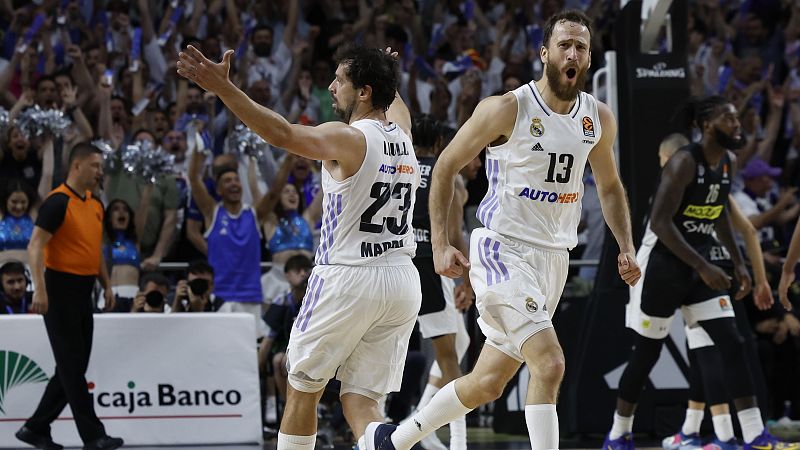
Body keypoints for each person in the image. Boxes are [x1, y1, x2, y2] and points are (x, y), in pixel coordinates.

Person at [367, 10, 641, 450]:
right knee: (549, 364)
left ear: (589, 58)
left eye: (581, 47)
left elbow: (609, 187)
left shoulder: (598, 118)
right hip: (502, 251)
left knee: (487, 383)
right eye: (565, 44)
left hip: (553, 259)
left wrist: (625, 245)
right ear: (544, 53)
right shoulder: (506, 107)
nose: (573, 53)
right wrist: (440, 244)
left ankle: (393, 442)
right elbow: (445, 167)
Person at [177, 42, 421, 449]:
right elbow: (394, 103)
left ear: (363, 92)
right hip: (400, 281)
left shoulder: (348, 137)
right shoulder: (406, 135)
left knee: (302, 386)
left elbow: (282, 133)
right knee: (362, 400)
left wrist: (224, 89)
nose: (330, 87)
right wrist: (385, 72)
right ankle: (383, 440)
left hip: (348, 277)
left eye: (340, 80)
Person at [605, 96, 797, 450]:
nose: (738, 126)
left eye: (738, 119)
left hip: (700, 266)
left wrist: (737, 263)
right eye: (730, 120)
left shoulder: (728, 162)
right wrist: (704, 265)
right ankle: (618, 433)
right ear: (708, 125)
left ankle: (755, 435)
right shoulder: (683, 163)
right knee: (647, 354)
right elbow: (661, 224)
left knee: (732, 343)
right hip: (664, 269)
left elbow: (718, 212)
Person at [653, 133, 776, 450]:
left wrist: (758, 277)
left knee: (712, 354)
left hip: (708, 274)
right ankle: (696, 431)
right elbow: (748, 230)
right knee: (707, 352)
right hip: (709, 272)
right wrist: (759, 278)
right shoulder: (702, 185)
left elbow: (746, 230)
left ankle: (723, 436)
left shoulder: (696, 186)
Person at [17, 143, 123, 450]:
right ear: (76, 166)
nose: (100, 171)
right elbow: (35, 246)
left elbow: (94, 248)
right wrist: (39, 287)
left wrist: (106, 283)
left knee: (72, 366)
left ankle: (35, 428)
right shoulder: (57, 202)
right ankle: (93, 436)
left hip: (84, 289)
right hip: (58, 289)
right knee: (72, 367)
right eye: (95, 165)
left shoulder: (95, 203)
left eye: (101, 166)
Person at [407, 114, 471, 450]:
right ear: (439, 145)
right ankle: (457, 441)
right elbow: (457, 233)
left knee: (458, 345)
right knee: (449, 359)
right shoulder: (449, 176)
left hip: (401, 263)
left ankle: (419, 422)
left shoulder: (399, 169)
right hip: (433, 266)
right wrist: (468, 283)